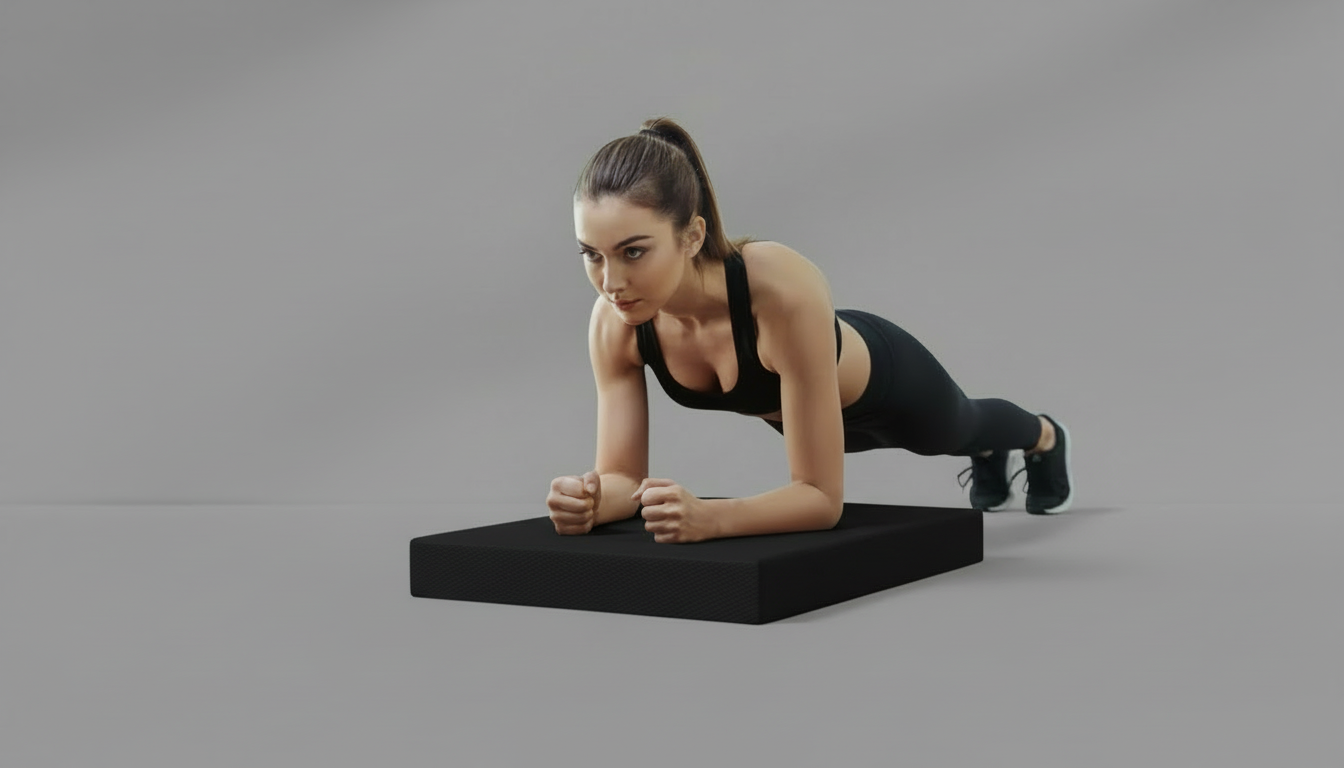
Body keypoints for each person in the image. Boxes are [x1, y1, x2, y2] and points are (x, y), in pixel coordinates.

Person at [546, 117, 1074, 544]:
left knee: (960, 429)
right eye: (592, 255)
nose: (610, 283)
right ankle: (991, 451)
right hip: (802, 410)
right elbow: (623, 479)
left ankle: (1044, 436)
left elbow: (821, 499)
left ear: (692, 235)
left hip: (888, 388)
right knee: (957, 435)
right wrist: (592, 500)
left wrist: (713, 518)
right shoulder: (615, 326)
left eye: (634, 251)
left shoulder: (778, 288)